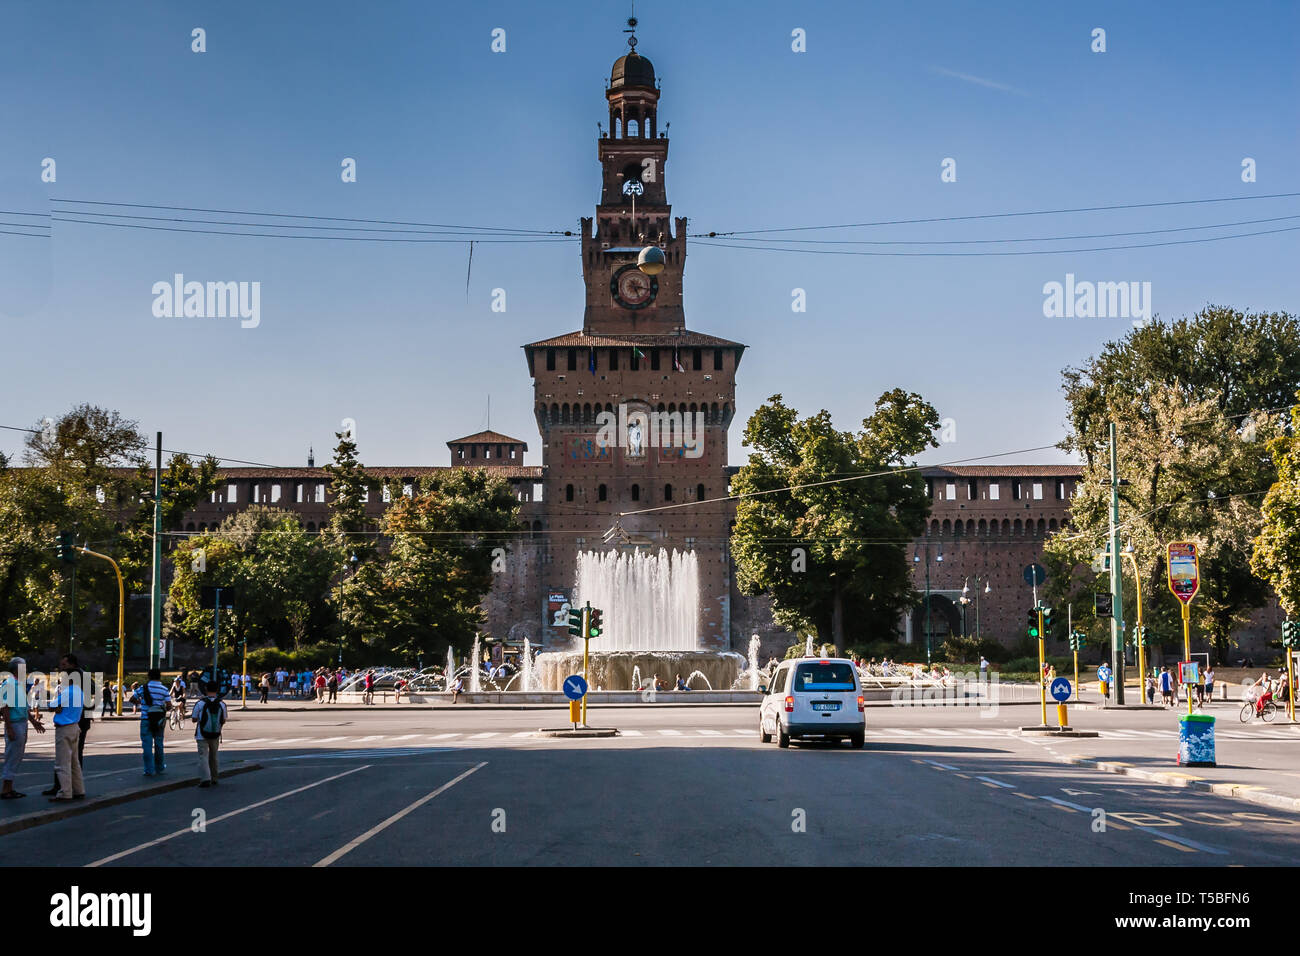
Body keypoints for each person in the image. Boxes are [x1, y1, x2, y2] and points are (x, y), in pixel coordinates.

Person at [2, 658, 45, 799]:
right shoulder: (9, 684)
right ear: (15, 669)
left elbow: (24, 707)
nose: (25, 670)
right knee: (12, 756)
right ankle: (5, 789)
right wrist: (9, 728)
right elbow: (4, 708)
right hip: (14, 724)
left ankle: (9, 787)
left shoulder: (19, 685)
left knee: (17, 756)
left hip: (21, 723)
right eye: (23, 667)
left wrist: (33, 721)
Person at [45, 659, 86, 802]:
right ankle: (78, 789)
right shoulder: (79, 691)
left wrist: (56, 707)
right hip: (75, 726)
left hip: (64, 728)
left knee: (62, 762)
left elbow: (51, 706)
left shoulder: (67, 691)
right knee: (75, 762)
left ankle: (65, 792)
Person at [131, 668, 170, 776]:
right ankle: (160, 767)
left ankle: (148, 769)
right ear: (159, 676)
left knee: (147, 745)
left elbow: (132, 699)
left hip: (146, 718)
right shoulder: (164, 689)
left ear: (149, 676)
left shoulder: (142, 688)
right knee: (159, 744)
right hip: (159, 720)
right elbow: (169, 705)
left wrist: (141, 702)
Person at [192, 683, 227, 788]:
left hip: (201, 734)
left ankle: (205, 779)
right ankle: (215, 778)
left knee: (203, 756)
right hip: (215, 734)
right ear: (217, 690)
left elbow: (194, 719)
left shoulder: (200, 703)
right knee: (214, 756)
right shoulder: (222, 704)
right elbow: (223, 720)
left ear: (206, 689)